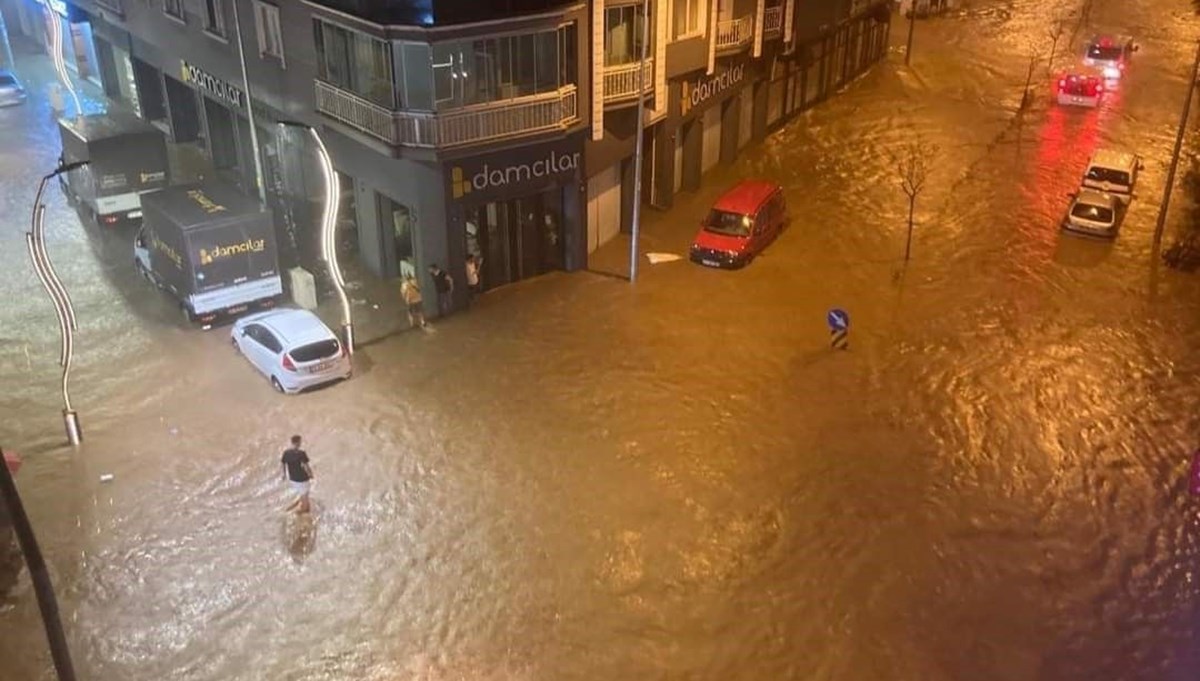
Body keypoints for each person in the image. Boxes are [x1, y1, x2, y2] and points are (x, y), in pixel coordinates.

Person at [281, 435, 314, 514]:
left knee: (303, 496)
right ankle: (293, 514)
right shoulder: (301, 453)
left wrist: (284, 474)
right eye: (300, 442)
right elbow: (306, 466)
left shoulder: (286, 453)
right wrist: (311, 474)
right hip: (302, 479)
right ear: (298, 442)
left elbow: (283, 464)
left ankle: (287, 510)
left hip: (293, 479)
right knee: (305, 505)